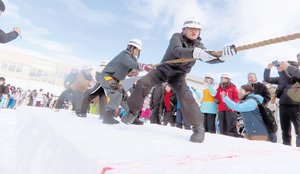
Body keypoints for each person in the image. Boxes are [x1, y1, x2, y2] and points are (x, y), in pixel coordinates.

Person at [122, 16, 237, 143]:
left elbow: (209, 57)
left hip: (179, 75)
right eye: (191, 28)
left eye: (197, 29)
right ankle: (132, 113)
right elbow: (177, 51)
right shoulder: (176, 37)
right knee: (143, 83)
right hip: (162, 70)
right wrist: (196, 53)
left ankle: (198, 128)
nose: (194, 31)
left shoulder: (199, 45)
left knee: (185, 96)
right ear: (184, 30)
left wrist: (222, 58)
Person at [99, 39, 153, 124]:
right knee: (117, 93)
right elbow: (130, 63)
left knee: (125, 97)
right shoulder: (125, 54)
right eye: (136, 49)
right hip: (107, 76)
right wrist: (143, 66)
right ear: (130, 47)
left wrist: (132, 73)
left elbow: (127, 70)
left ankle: (130, 118)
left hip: (116, 79)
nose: (137, 52)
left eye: (138, 51)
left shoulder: (132, 59)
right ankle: (108, 116)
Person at [264, 61, 300, 147]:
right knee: (285, 130)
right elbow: (268, 79)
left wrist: (287, 67)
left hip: (296, 106)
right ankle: (286, 147)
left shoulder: (297, 78)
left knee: (298, 130)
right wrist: (268, 68)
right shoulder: (282, 78)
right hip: (283, 106)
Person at [214, 73, 240, 137]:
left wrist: (230, 104)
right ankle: (223, 139)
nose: (223, 80)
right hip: (221, 109)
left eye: (225, 78)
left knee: (231, 126)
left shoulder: (233, 88)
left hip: (230, 109)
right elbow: (216, 96)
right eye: (222, 78)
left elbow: (237, 98)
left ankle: (233, 138)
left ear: (229, 79)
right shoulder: (219, 88)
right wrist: (216, 100)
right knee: (222, 126)